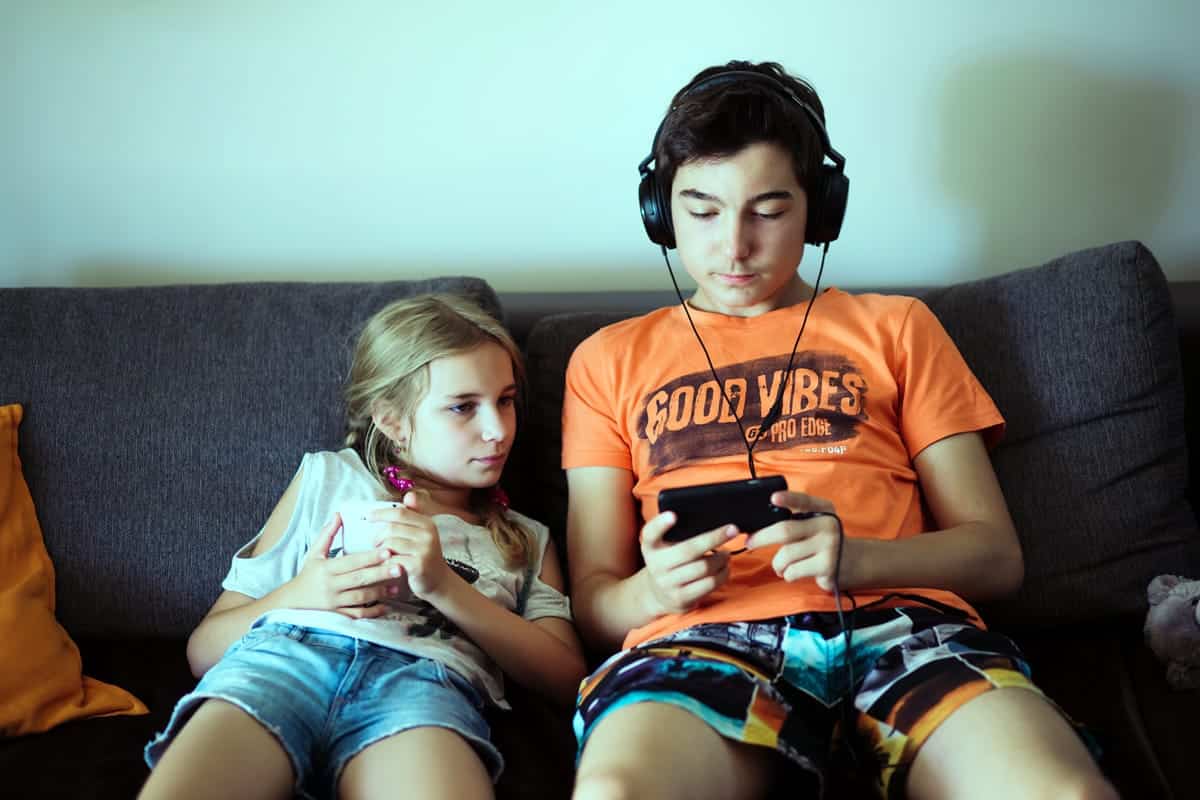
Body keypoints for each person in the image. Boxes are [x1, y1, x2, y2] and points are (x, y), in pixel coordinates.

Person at [563, 60, 1116, 799]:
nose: (734, 246)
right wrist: (654, 590)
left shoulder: (899, 329)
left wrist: (860, 560)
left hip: (905, 635)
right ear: (659, 210)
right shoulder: (605, 360)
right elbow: (593, 600)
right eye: (701, 210)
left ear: (821, 210)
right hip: (700, 647)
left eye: (768, 209)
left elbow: (995, 556)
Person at [139, 293, 586, 800]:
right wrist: (302, 593)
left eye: (505, 400)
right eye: (463, 407)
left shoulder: (526, 538)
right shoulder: (326, 479)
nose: (498, 430)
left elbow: (569, 679)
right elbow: (203, 649)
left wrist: (445, 589)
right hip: (284, 662)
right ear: (392, 420)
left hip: (421, 689)